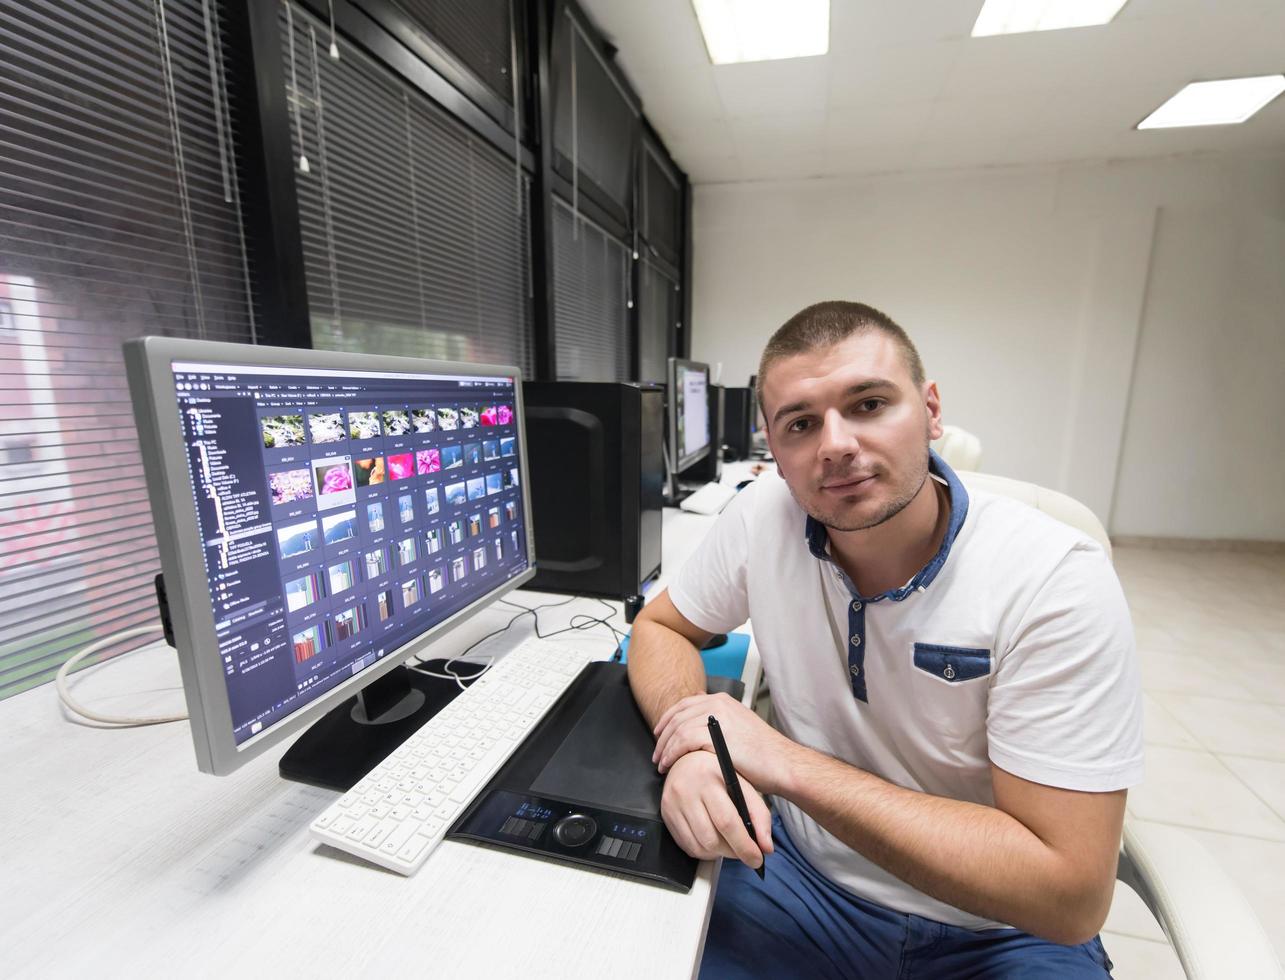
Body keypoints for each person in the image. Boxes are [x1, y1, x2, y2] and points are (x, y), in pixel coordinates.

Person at [627, 301, 1142, 978]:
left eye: (868, 404)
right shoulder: (762, 517)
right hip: (796, 882)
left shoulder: (1051, 579)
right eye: (800, 423)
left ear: (930, 412)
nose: (834, 444)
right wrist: (693, 746)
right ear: (772, 450)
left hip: (1001, 932)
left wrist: (781, 761)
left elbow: (1066, 896)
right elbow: (662, 627)